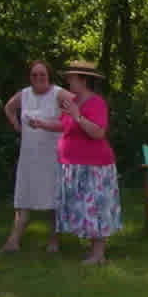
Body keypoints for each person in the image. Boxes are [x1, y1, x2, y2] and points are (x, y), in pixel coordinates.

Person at [53, 60, 121, 264]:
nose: (68, 81)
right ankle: (94, 251)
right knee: (83, 208)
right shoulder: (72, 102)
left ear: (83, 80)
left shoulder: (96, 102)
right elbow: (64, 127)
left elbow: (98, 132)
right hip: (73, 165)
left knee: (96, 207)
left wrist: (77, 115)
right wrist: (40, 124)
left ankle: (98, 253)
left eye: (71, 78)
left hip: (95, 166)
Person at [0, 60, 61, 253]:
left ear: (49, 75)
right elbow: (9, 108)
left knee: (53, 198)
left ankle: (54, 240)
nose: (38, 78)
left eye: (42, 74)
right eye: (34, 75)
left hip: (52, 155)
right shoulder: (24, 94)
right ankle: (13, 241)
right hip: (29, 155)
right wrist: (17, 126)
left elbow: (76, 108)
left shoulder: (58, 93)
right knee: (24, 196)